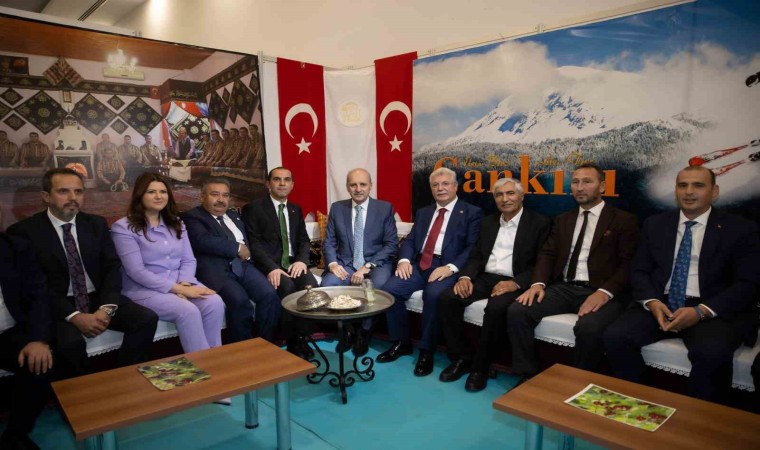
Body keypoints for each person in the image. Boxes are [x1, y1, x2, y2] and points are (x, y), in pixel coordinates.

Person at [604, 166, 759, 404]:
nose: (689, 192)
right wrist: (652, 302)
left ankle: (700, 419)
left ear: (714, 191)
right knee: (616, 336)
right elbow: (640, 270)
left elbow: (747, 284)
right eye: (682, 185)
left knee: (712, 354)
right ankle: (639, 404)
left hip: (711, 310)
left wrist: (701, 311)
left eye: (698, 185)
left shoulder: (740, 229)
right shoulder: (655, 224)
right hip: (662, 304)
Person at [8, 168, 158, 378]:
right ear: (46, 196)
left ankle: (128, 380)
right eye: (63, 191)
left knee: (146, 319)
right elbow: (34, 286)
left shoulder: (95, 224)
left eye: (78, 191)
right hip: (56, 304)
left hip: (96, 298)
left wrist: (106, 308)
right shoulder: (25, 232)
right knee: (70, 343)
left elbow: (111, 268)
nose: (73, 198)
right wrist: (74, 316)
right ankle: (85, 392)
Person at [508, 163, 639, 379]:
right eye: (575, 182)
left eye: (587, 182)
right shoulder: (563, 219)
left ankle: (578, 383)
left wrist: (604, 292)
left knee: (588, 328)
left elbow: (629, 264)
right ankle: (527, 375)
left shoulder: (623, 220)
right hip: (565, 288)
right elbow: (548, 254)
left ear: (602, 186)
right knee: (518, 311)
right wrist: (538, 284)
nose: (579, 187)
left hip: (601, 291)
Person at [437, 178, 551, 390]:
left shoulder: (539, 223)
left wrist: (516, 283)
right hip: (485, 277)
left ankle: (481, 368)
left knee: (496, 308)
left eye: (510, 193)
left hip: (514, 280)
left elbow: (542, 263)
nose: (505, 199)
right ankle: (462, 358)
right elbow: (476, 256)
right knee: (448, 298)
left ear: (521, 196)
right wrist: (465, 277)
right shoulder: (488, 222)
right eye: (499, 195)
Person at [378, 167, 483, 376]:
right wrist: (404, 261)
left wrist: (451, 268)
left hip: (447, 267)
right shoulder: (424, 212)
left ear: (455, 187)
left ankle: (426, 351)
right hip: (420, 264)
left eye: (445, 184)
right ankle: (401, 342)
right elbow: (411, 240)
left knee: (433, 295)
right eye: (435, 185)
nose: (440, 188)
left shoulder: (472, 212)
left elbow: (473, 247)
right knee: (390, 290)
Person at [111, 173, 225, 354]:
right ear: (140, 195)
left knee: (214, 303)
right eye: (151, 192)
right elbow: (136, 272)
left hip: (181, 282)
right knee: (188, 311)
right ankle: (203, 363)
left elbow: (188, 259)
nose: (159, 196)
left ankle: (215, 357)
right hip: (144, 290)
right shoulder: (124, 227)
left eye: (163, 192)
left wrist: (184, 284)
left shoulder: (176, 223)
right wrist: (179, 290)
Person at [181, 177, 281, 344]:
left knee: (269, 295)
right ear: (202, 196)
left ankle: (266, 344)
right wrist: (237, 248)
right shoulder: (192, 217)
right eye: (215, 194)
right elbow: (201, 240)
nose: (221, 199)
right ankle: (243, 349)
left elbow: (250, 240)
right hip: (217, 270)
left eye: (225, 195)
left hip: (244, 266)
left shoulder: (233, 215)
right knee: (240, 301)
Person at [241, 167, 319, 356]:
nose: (282, 183)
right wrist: (271, 268)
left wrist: (302, 261)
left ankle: (302, 337)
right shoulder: (253, 208)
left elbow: (303, 240)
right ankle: (290, 343)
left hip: (293, 263)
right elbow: (254, 245)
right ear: (268, 184)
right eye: (277, 179)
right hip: (269, 265)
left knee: (310, 286)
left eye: (286, 180)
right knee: (287, 287)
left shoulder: (295, 209)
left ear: (292, 185)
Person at [322, 168, 398, 355]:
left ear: (370, 186)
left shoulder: (384, 208)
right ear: (347, 187)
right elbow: (329, 241)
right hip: (346, 263)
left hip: (376, 263)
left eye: (363, 184)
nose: (358, 189)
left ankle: (365, 331)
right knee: (329, 284)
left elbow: (391, 245)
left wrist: (367, 267)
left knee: (378, 285)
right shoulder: (337, 208)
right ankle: (348, 329)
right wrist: (333, 264)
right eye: (353, 185)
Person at [0, 234, 53, 450]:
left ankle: (16, 434)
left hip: (10, 331)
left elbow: (38, 294)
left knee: (40, 362)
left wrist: (38, 339)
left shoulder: (16, 247)